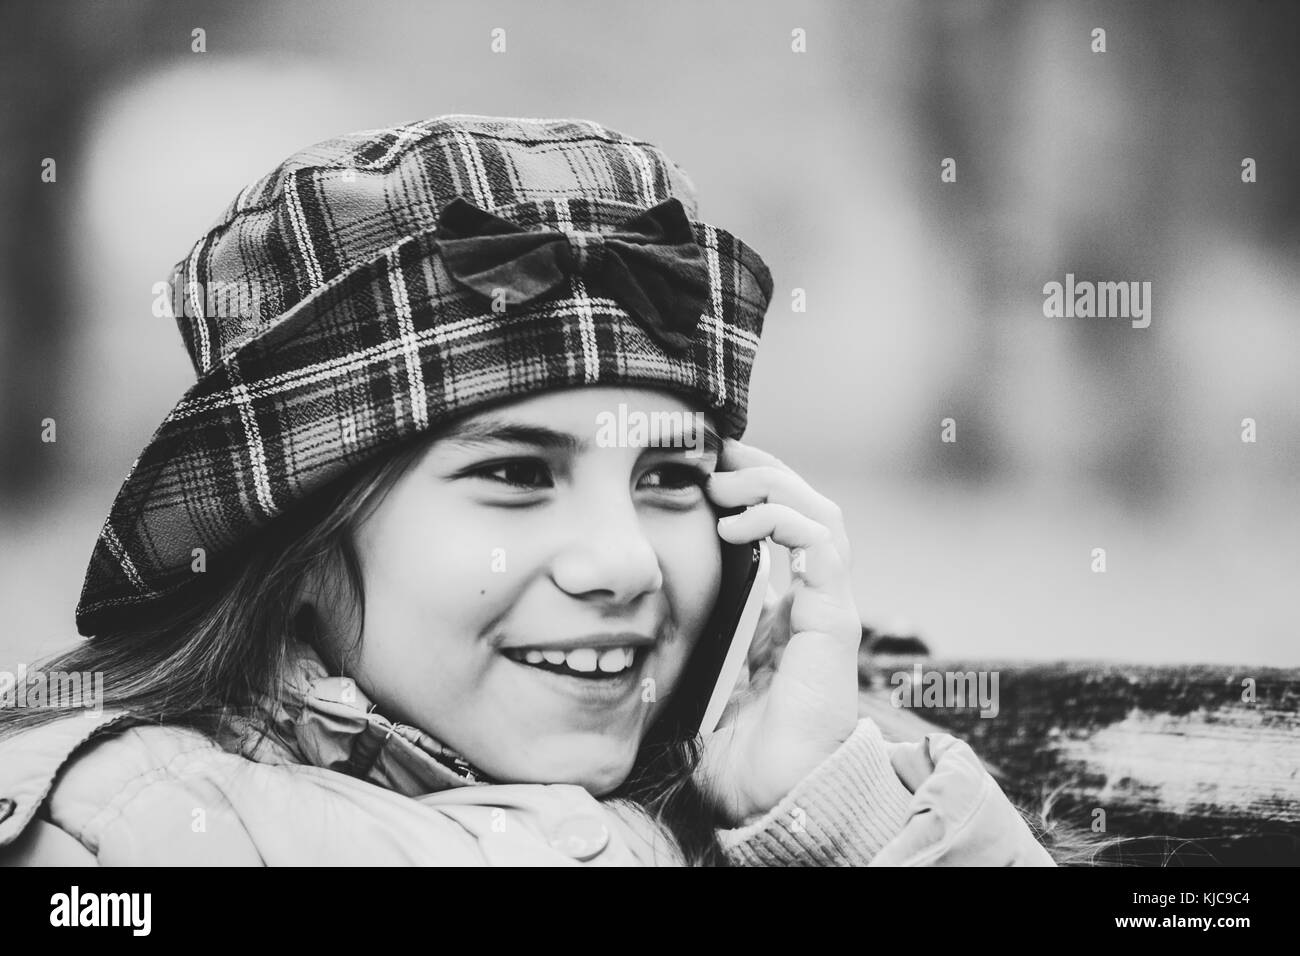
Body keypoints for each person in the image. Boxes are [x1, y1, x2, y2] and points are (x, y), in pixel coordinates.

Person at [0, 115, 1054, 866]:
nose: (624, 562)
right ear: (306, 543)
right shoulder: (131, 828)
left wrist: (827, 817)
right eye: (513, 473)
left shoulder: (774, 785)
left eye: (669, 476)